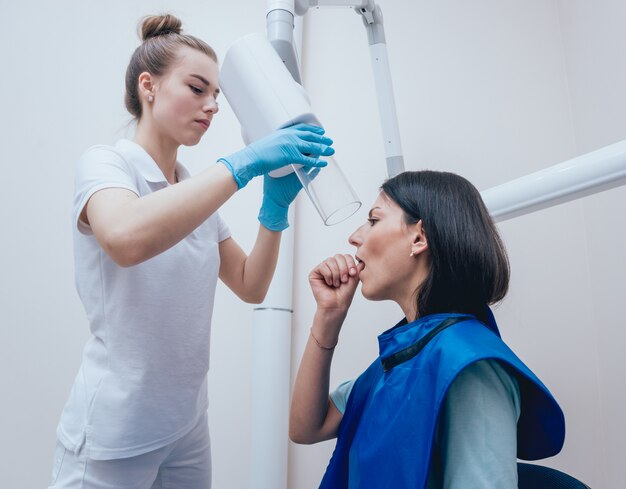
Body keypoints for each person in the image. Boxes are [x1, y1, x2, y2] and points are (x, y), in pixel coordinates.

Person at [48, 13, 334, 489]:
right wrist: (240, 165)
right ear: (149, 87)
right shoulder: (108, 163)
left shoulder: (191, 187)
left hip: (185, 425)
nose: (213, 105)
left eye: (217, 94)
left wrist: (274, 210)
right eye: (198, 88)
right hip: (114, 434)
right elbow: (124, 239)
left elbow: (250, 283)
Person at [290, 170, 565, 489]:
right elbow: (306, 427)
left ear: (419, 238)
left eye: (374, 220)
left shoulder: (470, 366)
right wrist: (329, 316)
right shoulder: (402, 356)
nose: (355, 236)